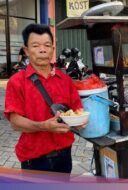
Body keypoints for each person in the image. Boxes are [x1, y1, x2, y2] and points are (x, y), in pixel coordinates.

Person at [4, 23, 88, 174]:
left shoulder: (65, 80)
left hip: (64, 155)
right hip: (34, 159)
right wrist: (43, 126)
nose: (42, 50)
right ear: (26, 51)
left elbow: (76, 110)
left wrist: (80, 120)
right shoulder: (16, 82)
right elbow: (15, 121)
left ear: (53, 49)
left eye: (47, 45)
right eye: (35, 45)